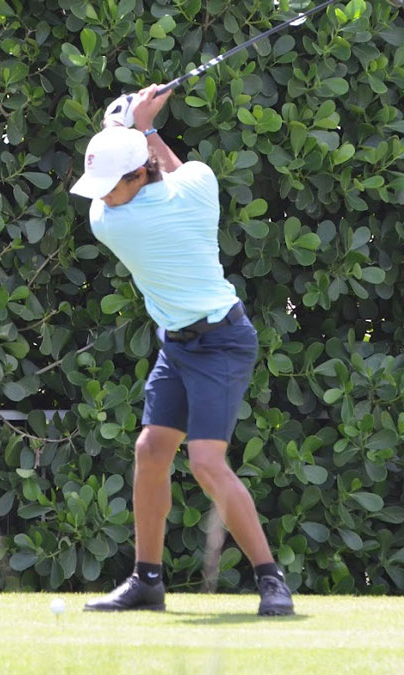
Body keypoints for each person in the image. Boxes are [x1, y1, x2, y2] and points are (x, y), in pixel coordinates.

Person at [70, 85, 294, 616]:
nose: (102, 197)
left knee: (206, 463)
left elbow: (153, 168)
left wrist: (126, 123)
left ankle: (271, 580)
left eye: (110, 185)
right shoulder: (197, 187)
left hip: (222, 344)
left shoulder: (115, 223)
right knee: (151, 450)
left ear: (137, 174)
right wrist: (144, 127)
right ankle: (147, 580)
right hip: (178, 344)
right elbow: (174, 168)